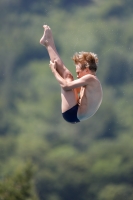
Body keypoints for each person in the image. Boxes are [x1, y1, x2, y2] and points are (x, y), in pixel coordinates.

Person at [40, 25, 103, 124]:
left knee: (67, 76)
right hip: (75, 113)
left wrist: (54, 70)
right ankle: (47, 42)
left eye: (78, 72)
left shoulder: (91, 79)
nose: (77, 76)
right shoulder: (91, 82)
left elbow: (65, 86)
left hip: (72, 113)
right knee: (68, 77)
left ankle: (48, 43)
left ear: (86, 69)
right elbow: (70, 87)